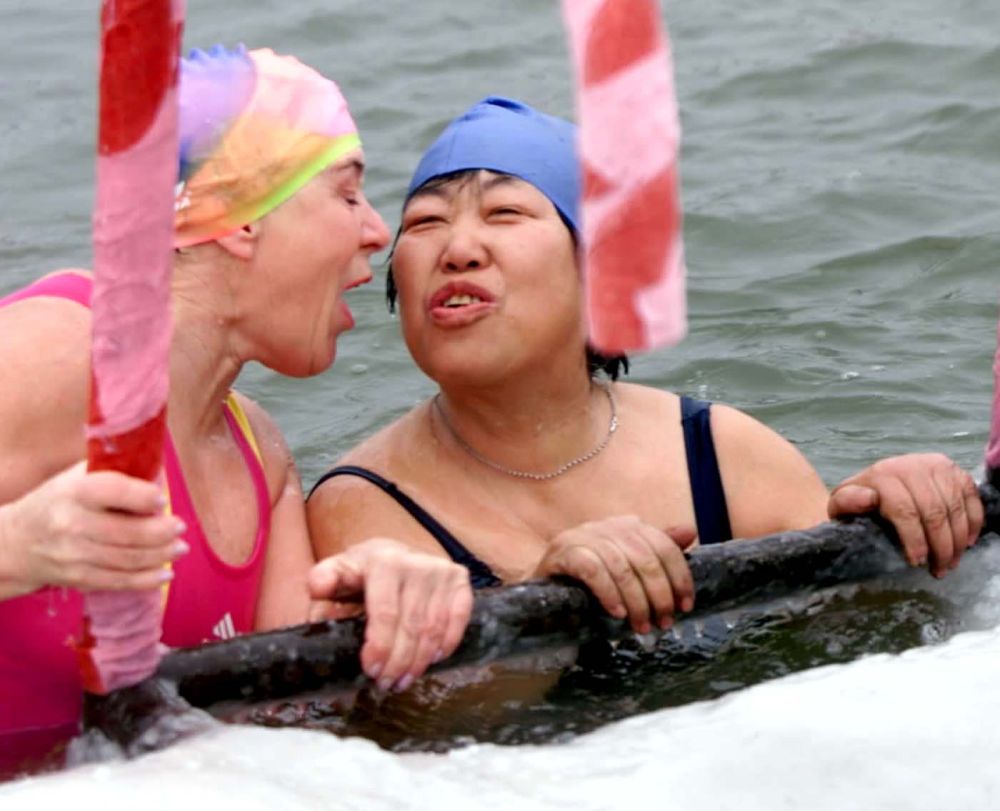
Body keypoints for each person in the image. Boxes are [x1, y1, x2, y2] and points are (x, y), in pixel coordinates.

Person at [308, 96, 983, 639]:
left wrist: (896, 518)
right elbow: (414, 727)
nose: (457, 248)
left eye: (505, 213)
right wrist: (545, 602)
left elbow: (862, 628)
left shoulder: (716, 452)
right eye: (425, 223)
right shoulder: (363, 502)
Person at [0, 46, 471, 776]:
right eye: (348, 195)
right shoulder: (60, 355)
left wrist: (385, 587)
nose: (380, 231)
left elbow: (293, 719)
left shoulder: (263, 458)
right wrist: (15, 548)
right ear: (239, 219)